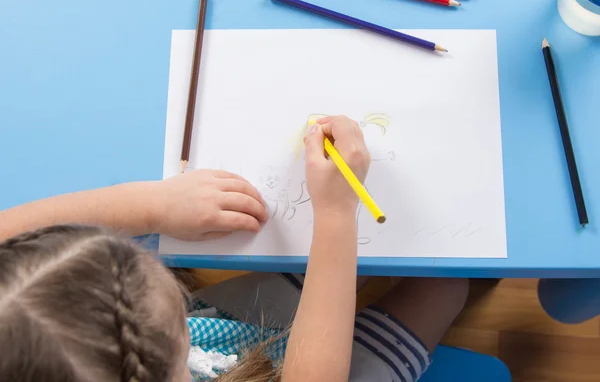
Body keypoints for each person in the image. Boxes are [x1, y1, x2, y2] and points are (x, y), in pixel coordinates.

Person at [0, 116, 469, 381]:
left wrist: (152, 204)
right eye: (175, 315)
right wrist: (335, 215)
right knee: (442, 288)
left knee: (344, 267)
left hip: (226, 341)